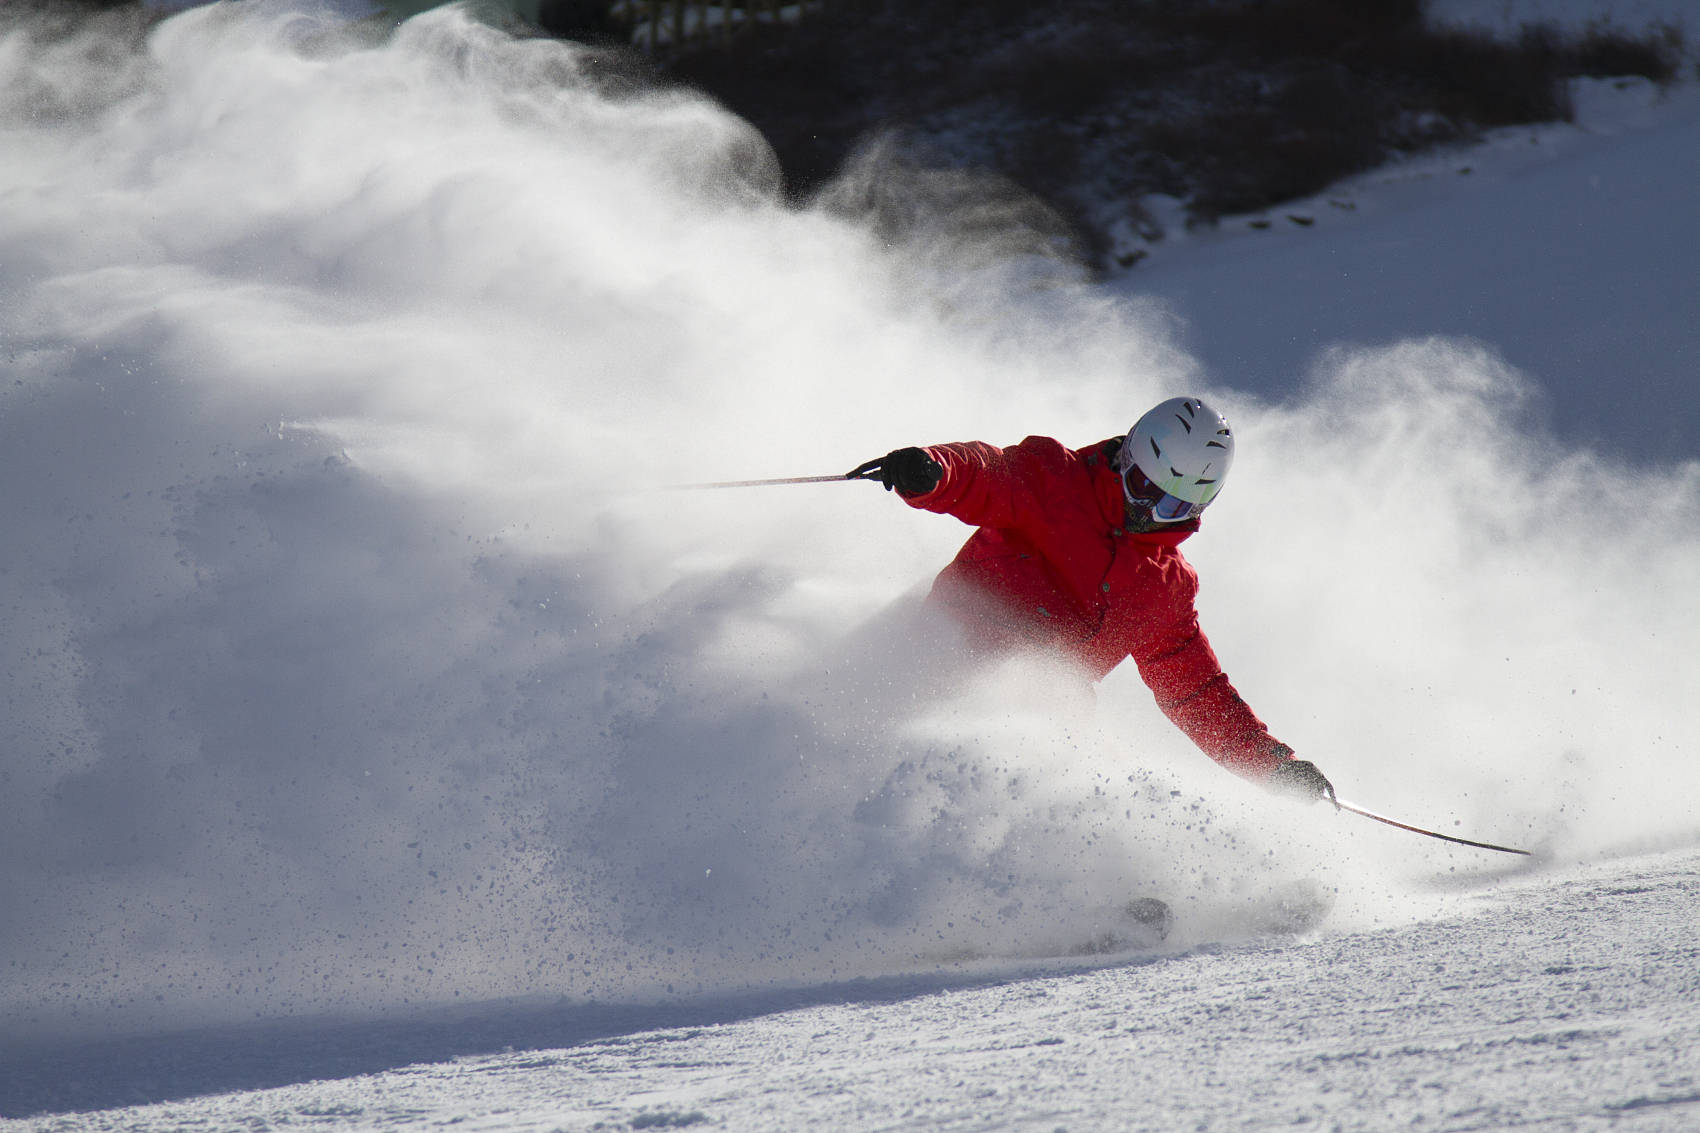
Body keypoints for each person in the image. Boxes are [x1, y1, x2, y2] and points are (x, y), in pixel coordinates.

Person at [847, 396, 1335, 804]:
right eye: (1143, 487)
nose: (1148, 511)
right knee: (1042, 758)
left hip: (1048, 721)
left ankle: (1166, 893)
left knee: (1119, 786)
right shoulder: (1054, 480)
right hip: (938, 672)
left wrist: (1273, 767)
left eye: (1173, 506)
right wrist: (934, 471)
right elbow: (987, 473)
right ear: (1127, 460)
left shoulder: (1163, 589)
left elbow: (1195, 692)